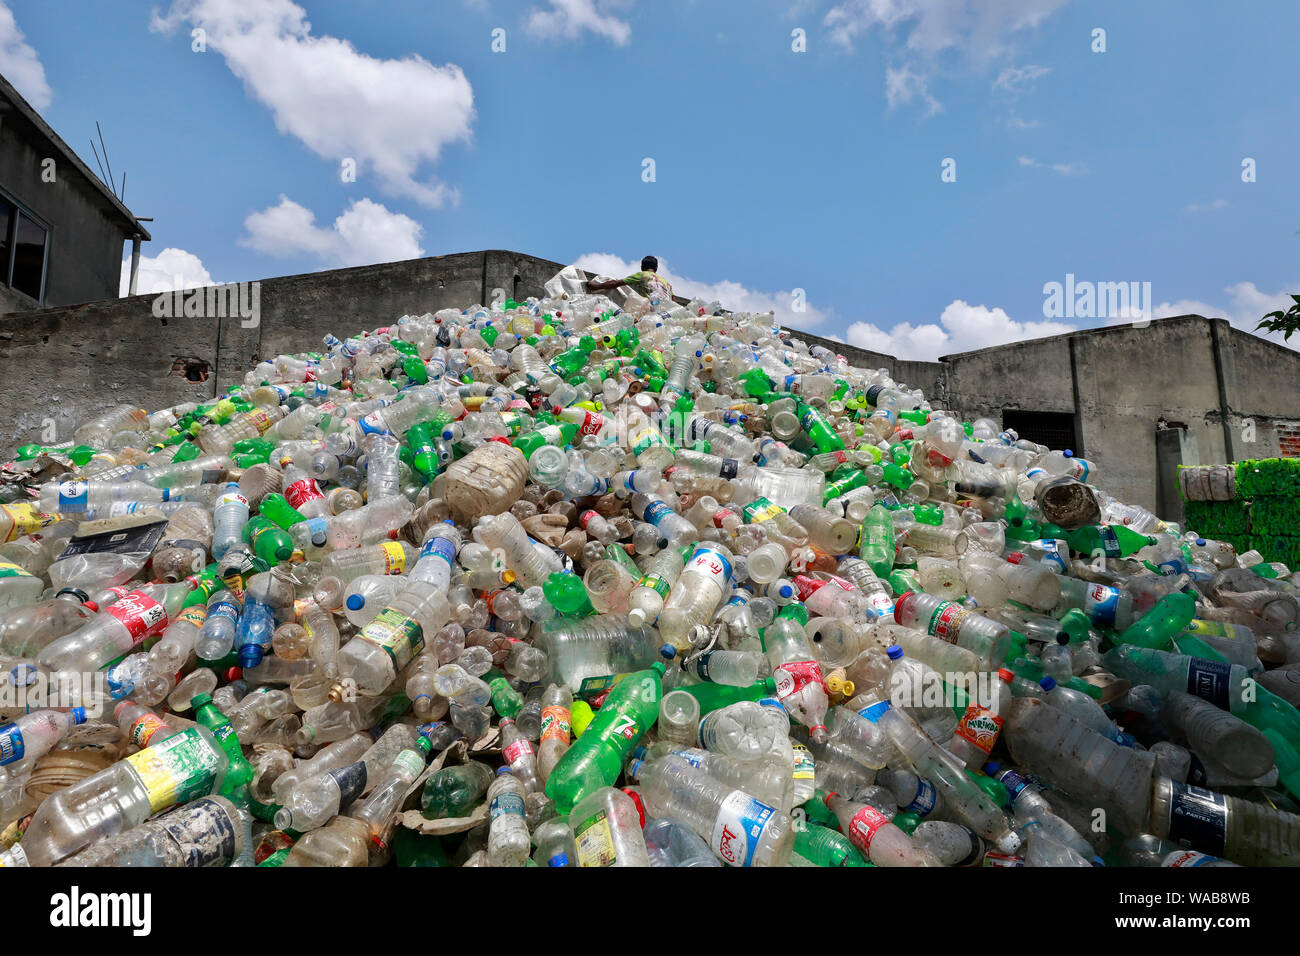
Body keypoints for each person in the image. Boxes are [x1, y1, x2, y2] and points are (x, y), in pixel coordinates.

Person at [586, 256, 675, 303]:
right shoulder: (666, 282)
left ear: (642, 267)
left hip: (652, 310)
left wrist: (597, 286)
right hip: (667, 312)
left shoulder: (642, 275)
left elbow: (615, 283)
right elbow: (673, 298)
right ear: (656, 268)